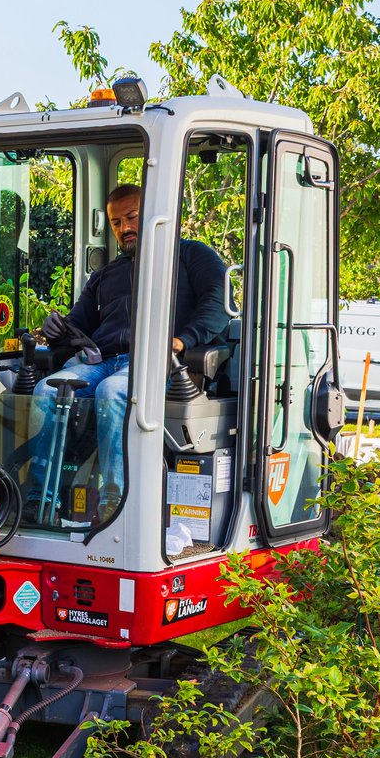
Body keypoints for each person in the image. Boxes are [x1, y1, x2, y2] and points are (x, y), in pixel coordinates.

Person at [27, 181, 230, 517]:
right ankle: (41, 499)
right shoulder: (105, 276)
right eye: (117, 223)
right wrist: (57, 330)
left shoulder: (191, 255)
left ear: (152, 214)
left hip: (157, 362)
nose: (125, 228)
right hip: (104, 360)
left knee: (113, 391)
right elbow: (78, 326)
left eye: (132, 218)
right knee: (46, 389)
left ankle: (115, 503)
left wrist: (181, 341)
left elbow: (218, 303)